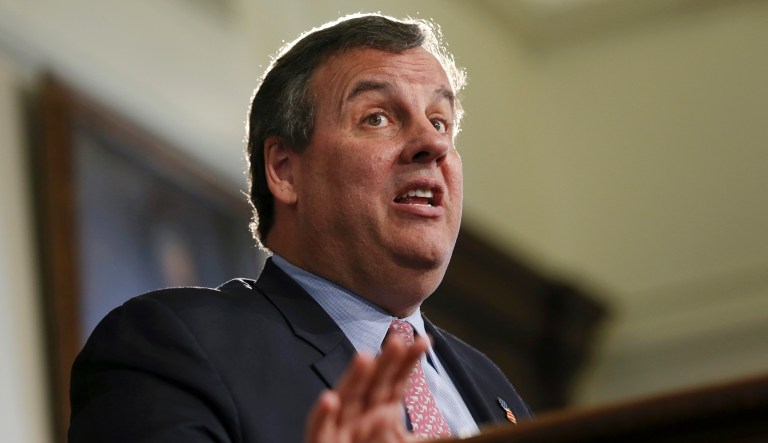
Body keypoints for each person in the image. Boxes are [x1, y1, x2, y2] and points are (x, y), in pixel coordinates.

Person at [68, 13, 531, 442]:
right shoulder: (172, 346)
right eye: (377, 118)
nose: (432, 143)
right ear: (285, 170)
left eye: (440, 122)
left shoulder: (491, 385)